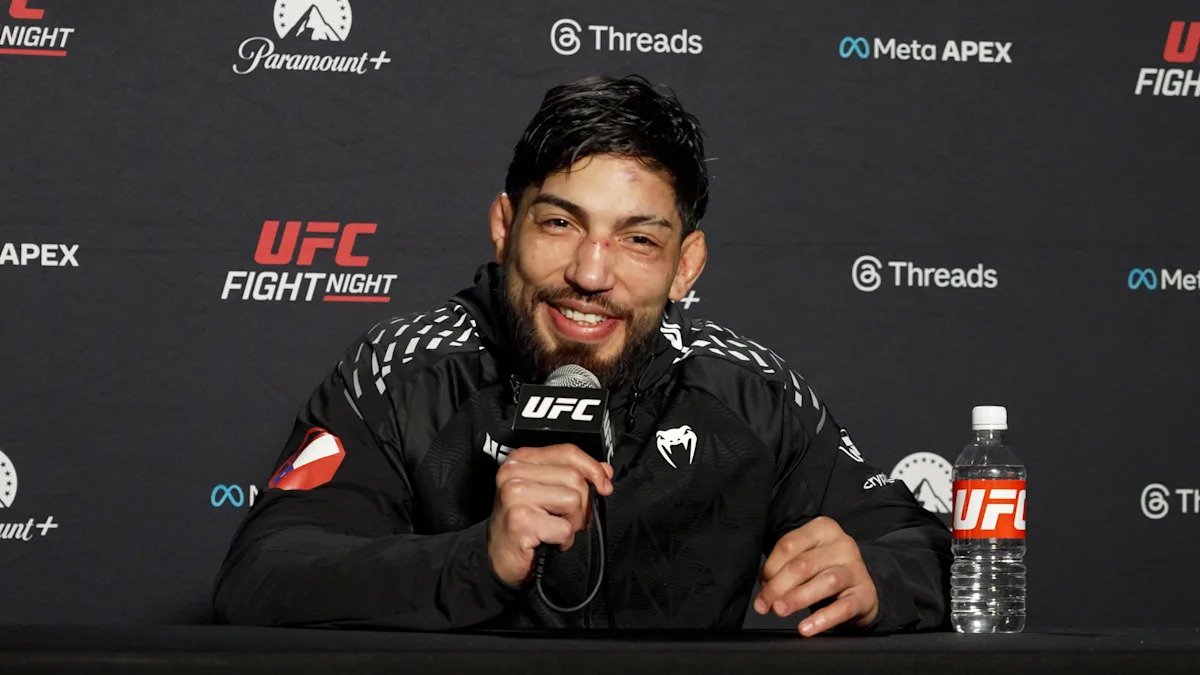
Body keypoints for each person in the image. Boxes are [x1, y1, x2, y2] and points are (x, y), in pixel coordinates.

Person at [213, 75, 950, 634]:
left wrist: (876, 575)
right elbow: (262, 573)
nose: (592, 274)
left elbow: (926, 549)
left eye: (638, 239)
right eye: (560, 223)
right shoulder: (401, 372)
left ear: (686, 266)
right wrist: (477, 559)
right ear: (504, 227)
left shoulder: (749, 391)